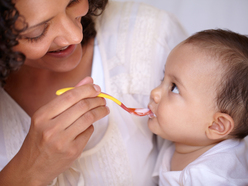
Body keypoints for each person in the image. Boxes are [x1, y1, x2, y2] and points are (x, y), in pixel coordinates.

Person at [0, 0, 187, 185]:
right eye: (37, 32)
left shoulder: (152, 34)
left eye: (73, 2)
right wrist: (26, 173)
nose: (75, 36)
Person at [148, 29, 248, 186]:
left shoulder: (212, 178)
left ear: (217, 125)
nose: (154, 92)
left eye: (174, 87)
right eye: (163, 77)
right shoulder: (179, 142)